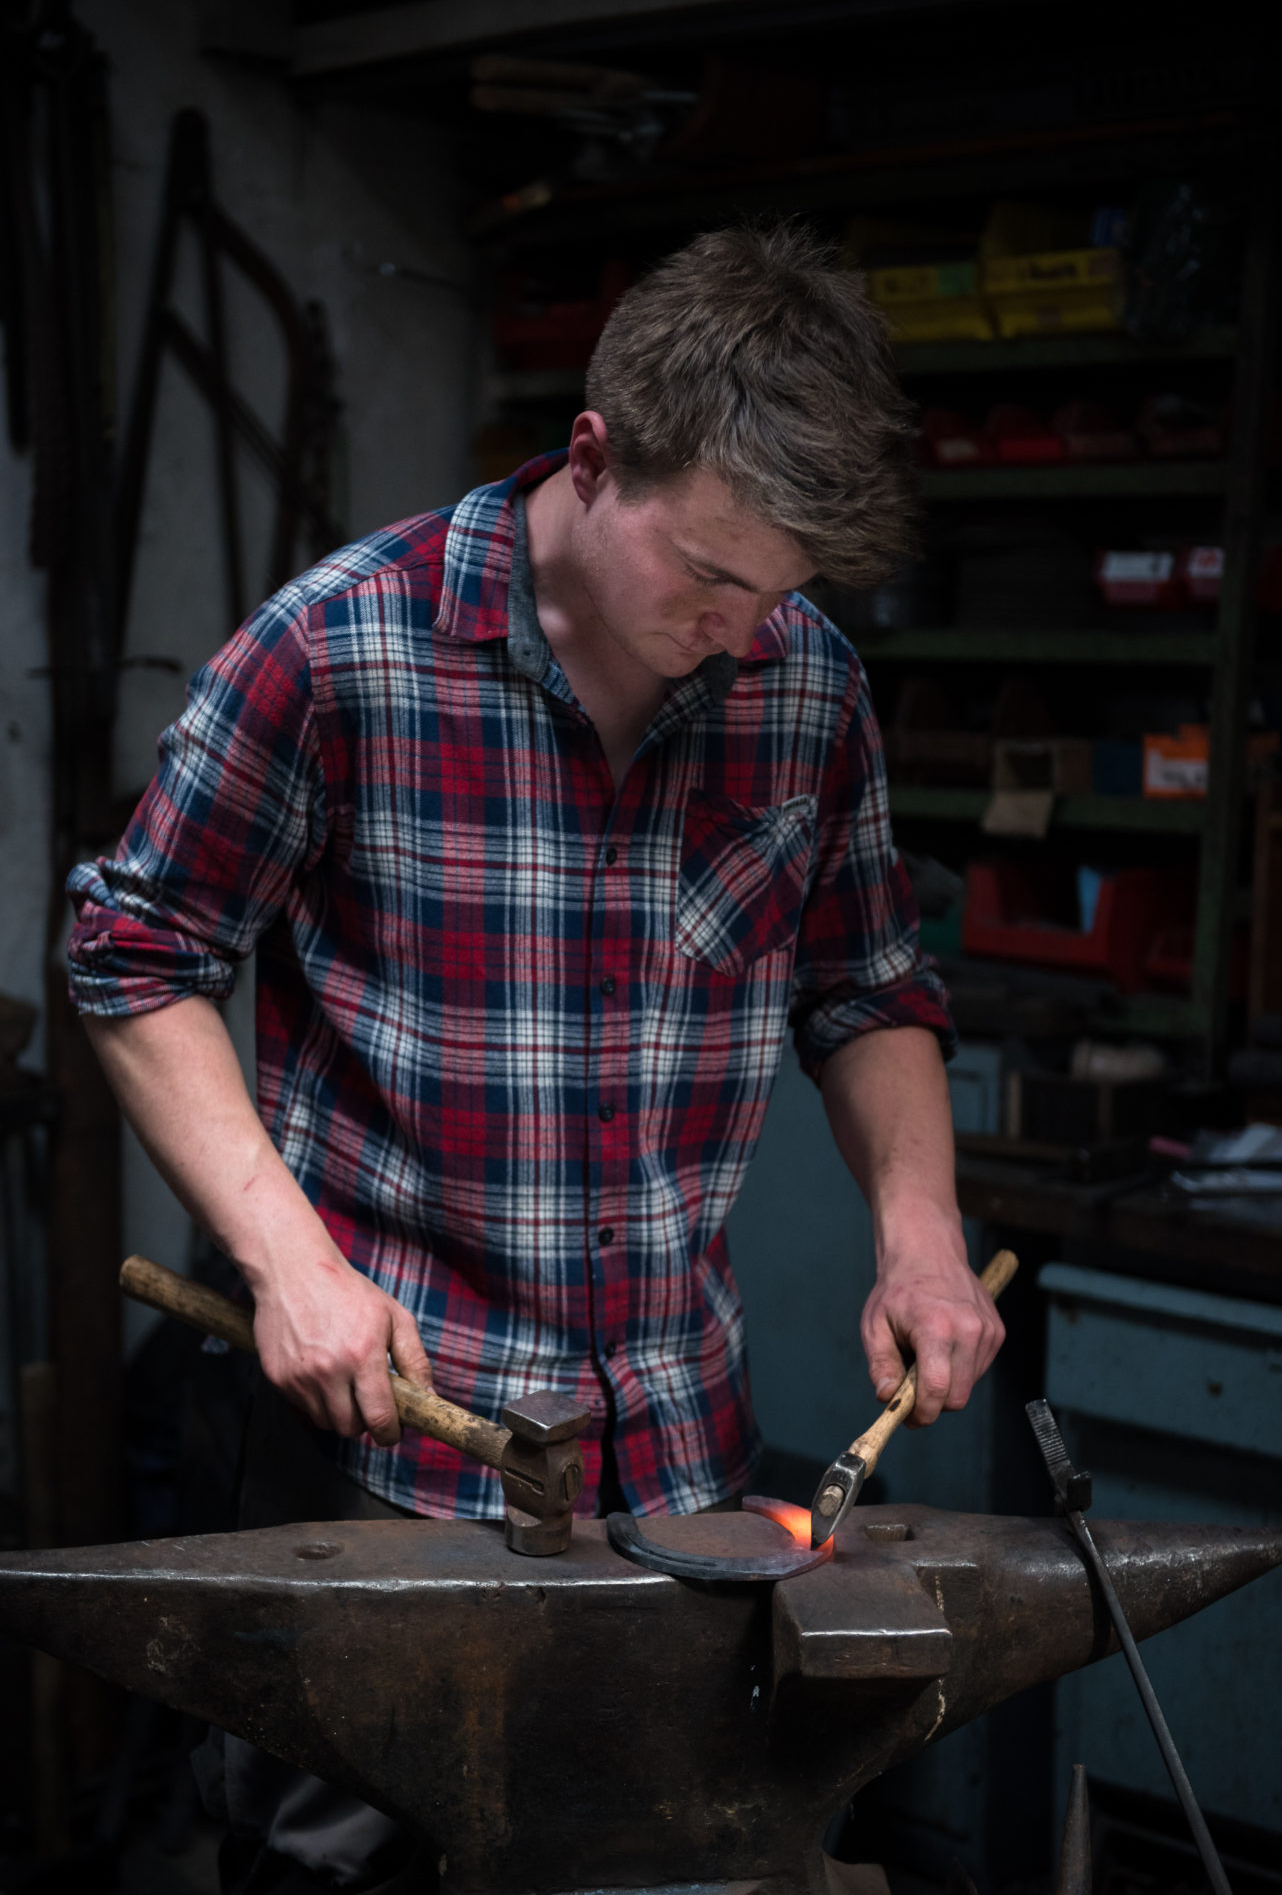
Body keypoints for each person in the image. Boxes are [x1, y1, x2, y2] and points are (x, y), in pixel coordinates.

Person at [67, 225, 1005, 1893]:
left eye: (776, 589)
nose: (738, 628)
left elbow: (865, 986)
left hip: (680, 1460)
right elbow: (133, 956)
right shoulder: (337, 649)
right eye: (706, 574)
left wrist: (921, 1235)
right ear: (590, 458)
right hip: (382, 1448)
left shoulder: (802, 686)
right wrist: (286, 1264)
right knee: (333, 1869)